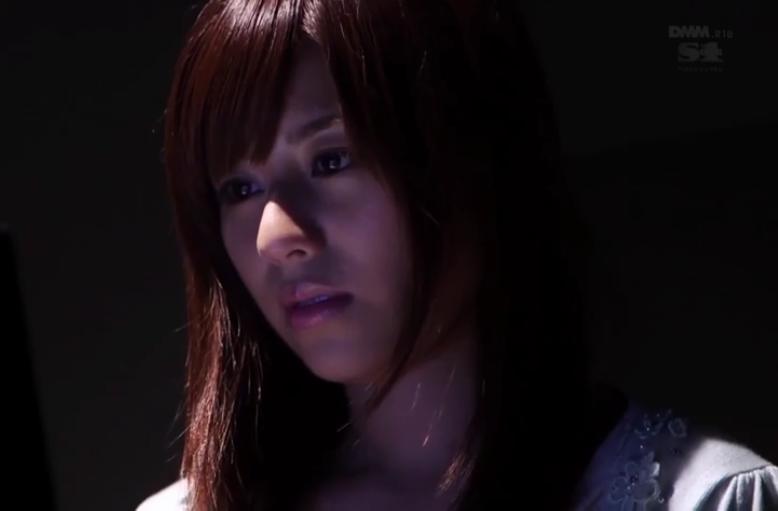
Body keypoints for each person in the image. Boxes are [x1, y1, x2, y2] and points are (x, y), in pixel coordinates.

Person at [138, 0, 778, 509]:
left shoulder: (709, 497)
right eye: (239, 189)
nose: (273, 236)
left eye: (331, 160)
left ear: (481, 162)